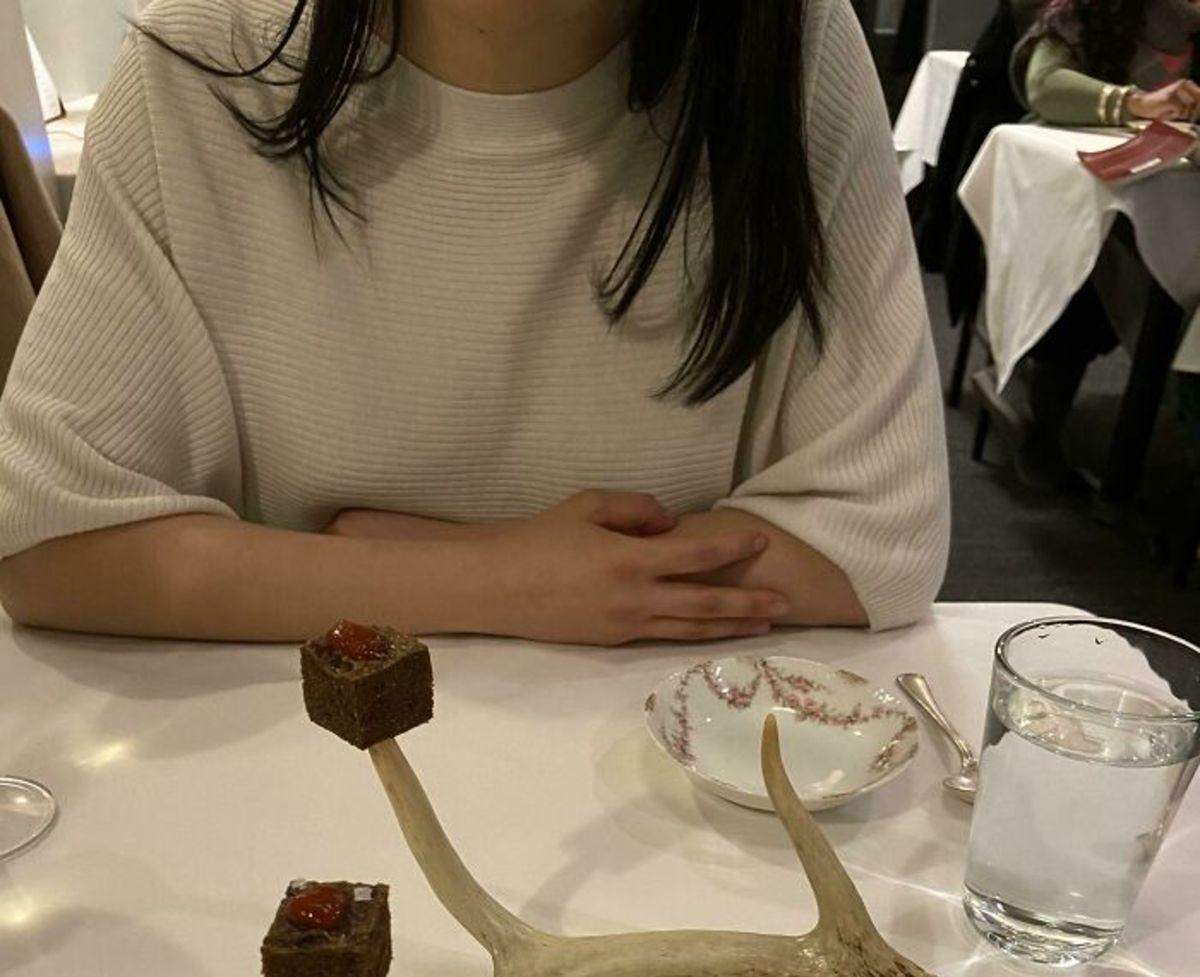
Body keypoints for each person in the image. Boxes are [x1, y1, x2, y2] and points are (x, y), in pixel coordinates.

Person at [0, 0, 949, 645]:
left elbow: (880, 542)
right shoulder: (201, 63)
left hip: (670, 782)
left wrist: (414, 557)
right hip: (302, 770)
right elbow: (47, 547)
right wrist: (503, 579)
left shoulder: (789, 50)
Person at [1010, 0, 1200, 492]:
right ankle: (1044, 432)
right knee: (1089, 269)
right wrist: (1136, 103)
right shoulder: (1088, 12)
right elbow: (1045, 86)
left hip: (1173, 191)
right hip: (1083, 196)